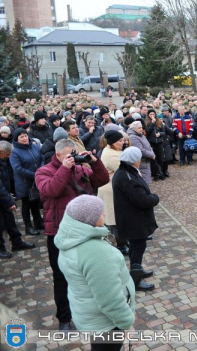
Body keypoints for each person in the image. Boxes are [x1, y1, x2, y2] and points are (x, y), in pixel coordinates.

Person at [36, 138, 109, 331]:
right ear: (58, 155)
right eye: (69, 154)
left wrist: (94, 161)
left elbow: (102, 180)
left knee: (91, 273)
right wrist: (64, 169)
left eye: (74, 153)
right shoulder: (43, 172)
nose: (73, 157)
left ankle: (92, 311)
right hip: (60, 233)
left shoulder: (81, 169)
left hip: (85, 231)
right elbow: (51, 190)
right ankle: (64, 318)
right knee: (61, 277)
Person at [54, 195, 135, 351]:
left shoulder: (70, 239)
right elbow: (110, 299)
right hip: (105, 324)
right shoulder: (95, 252)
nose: (104, 214)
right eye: (100, 212)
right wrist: (127, 324)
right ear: (88, 220)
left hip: (88, 315)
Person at [113, 147, 160, 291]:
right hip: (133, 220)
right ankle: (136, 280)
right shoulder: (127, 177)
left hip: (131, 218)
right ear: (135, 161)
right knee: (138, 247)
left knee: (136, 246)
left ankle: (136, 269)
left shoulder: (126, 172)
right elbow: (142, 200)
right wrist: (155, 198)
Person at [0, 141, 35, 259]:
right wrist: (9, 201)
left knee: (10, 221)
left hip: (4, 197)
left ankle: (17, 242)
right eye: (7, 154)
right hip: (3, 197)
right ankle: (1, 248)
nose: (9, 156)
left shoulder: (2, 161)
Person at [97, 130, 129, 255]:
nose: (123, 143)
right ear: (112, 143)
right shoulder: (110, 154)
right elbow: (124, 168)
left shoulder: (113, 151)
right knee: (115, 218)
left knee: (119, 217)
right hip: (110, 189)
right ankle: (121, 244)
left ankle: (124, 241)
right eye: (120, 141)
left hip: (115, 188)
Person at [10, 128, 44, 235]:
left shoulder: (33, 145)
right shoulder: (14, 152)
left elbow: (41, 157)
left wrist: (42, 169)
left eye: (25, 136)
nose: (25, 138)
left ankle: (38, 222)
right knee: (26, 204)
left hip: (36, 180)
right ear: (17, 139)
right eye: (21, 137)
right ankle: (28, 227)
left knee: (35, 201)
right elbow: (18, 169)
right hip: (24, 182)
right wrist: (35, 175)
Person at [146, 109, 166, 180]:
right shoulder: (147, 123)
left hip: (159, 142)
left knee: (160, 158)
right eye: (150, 114)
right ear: (148, 115)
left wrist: (160, 134)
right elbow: (147, 133)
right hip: (151, 143)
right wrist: (152, 123)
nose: (152, 116)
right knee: (153, 159)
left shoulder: (159, 122)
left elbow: (164, 132)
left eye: (153, 114)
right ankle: (155, 174)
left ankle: (161, 173)